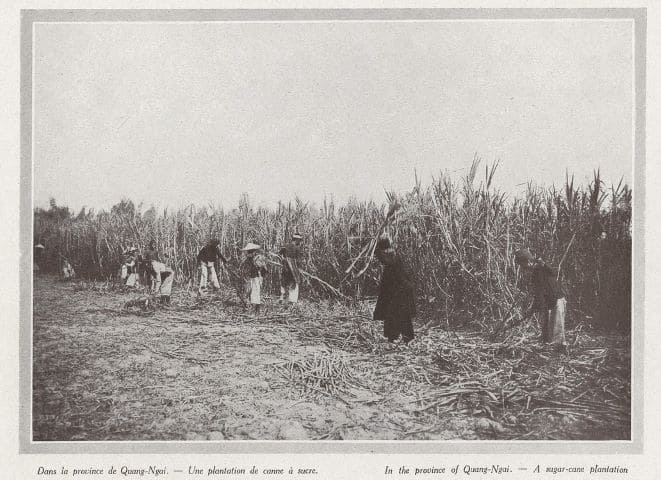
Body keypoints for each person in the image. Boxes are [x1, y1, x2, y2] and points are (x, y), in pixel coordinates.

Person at [514, 248, 568, 352]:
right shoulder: (537, 270)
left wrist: (536, 307)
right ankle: (549, 349)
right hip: (551, 302)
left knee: (557, 331)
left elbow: (543, 290)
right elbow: (539, 293)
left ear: (528, 261)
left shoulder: (540, 269)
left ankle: (560, 353)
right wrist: (535, 307)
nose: (523, 268)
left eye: (522, 264)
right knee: (548, 330)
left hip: (556, 300)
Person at [373, 236, 416, 345]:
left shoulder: (390, 256)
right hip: (398, 290)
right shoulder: (392, 256)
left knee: (397, 314)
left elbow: (395, 275)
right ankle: (399, 338)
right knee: (397, 314)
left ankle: (401, 338)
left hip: (400, 290)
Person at [241, 243, 267, 314]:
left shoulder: (256, 258)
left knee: (253, 293)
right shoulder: (252, 259)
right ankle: (254, 310)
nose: (249, 253)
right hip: (253, 277)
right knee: (252, 293)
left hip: (254, 277)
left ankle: (255, 310)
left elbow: (262, 268)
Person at [279, 232, 303, 304]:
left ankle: (282, 298)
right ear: (296, 240)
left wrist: (283, 261)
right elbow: (298, 261)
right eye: (299, 240)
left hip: (285, 268)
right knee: (294, 283)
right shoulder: (297, 248)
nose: (300, 242)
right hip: (293, 269)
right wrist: (299, 269)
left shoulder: (285, 246)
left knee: (284, 282)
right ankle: (292, 301)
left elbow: (279, 255)